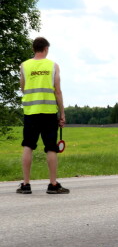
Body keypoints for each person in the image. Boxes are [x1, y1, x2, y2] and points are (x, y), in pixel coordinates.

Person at [16, 37, 69, 194]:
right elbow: (57, 91)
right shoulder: (53, 66)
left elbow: (23, 87)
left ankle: (26, 185)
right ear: (46, 49)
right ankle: (52, 184)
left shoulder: (24, 66)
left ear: (34, 49)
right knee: (51, 147)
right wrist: (62, 113)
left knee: (28, 145)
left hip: (31, 112)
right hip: (48, 112)